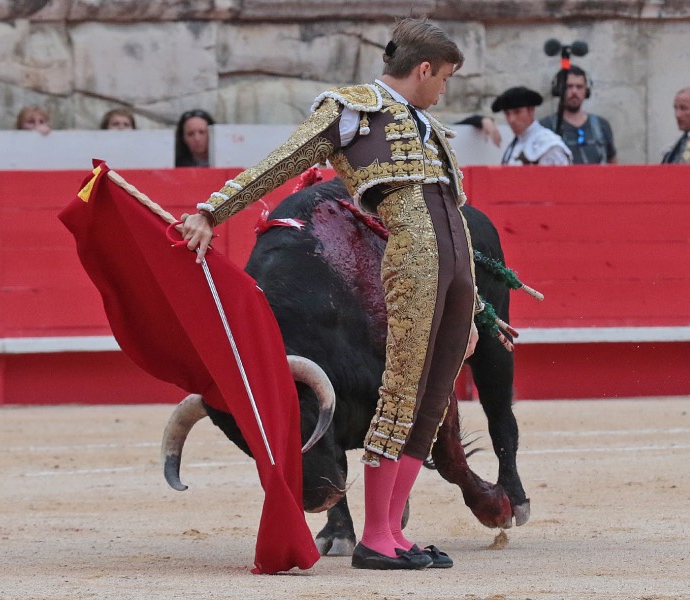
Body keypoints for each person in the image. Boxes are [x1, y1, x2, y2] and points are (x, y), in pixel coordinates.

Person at [179, 17, 480, 571]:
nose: (445, 90)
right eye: (445, 79)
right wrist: (211, 210)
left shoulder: (428, 125)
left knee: (431, 401)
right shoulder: (352, 109)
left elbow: (451, 214)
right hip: (413, 263)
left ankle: (395, 535)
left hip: (457, 269)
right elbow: (283, 161)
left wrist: (478, 306)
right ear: (422, 69)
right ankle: (377, 538)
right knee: (401, 394)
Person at [539, 65, 617, 164]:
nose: (574, 91)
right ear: (559, 90)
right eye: (569, 87)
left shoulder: (601, 125)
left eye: (579, 87)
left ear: (586, 91)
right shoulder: (546, 127)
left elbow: (613, 163)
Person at [492, 86, 571, 165]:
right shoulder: (514, 145)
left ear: (531, 110)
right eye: (507, 114)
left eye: (517, 112)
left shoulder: (548, 144)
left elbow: (561, 176)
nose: (512, 119)